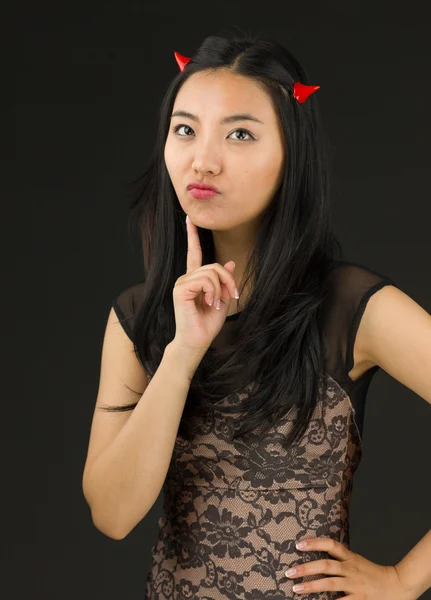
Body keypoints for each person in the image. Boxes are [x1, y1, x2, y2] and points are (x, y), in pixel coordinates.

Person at [82, 29, 431, 600]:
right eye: (185, 129)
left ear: (292, 153)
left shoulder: (349, 307)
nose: (204, 160)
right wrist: (184, 352)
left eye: (240, 133)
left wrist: (402, 581)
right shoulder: (141, 316)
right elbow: (113, 515)